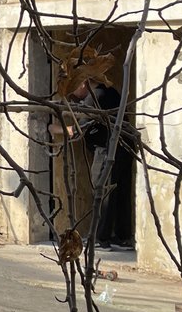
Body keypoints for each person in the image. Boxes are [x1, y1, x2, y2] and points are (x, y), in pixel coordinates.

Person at [51, 79, 136, 250]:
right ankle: (122, 237)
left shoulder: (94, 97)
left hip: (107, 150)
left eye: (74, 90)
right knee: (119, 192)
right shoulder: (110, 91)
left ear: (82, 83)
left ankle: (101, 239)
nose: (74, 96)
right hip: (125, 148)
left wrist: (55, 129)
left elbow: (80, 129)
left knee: (101, 192)